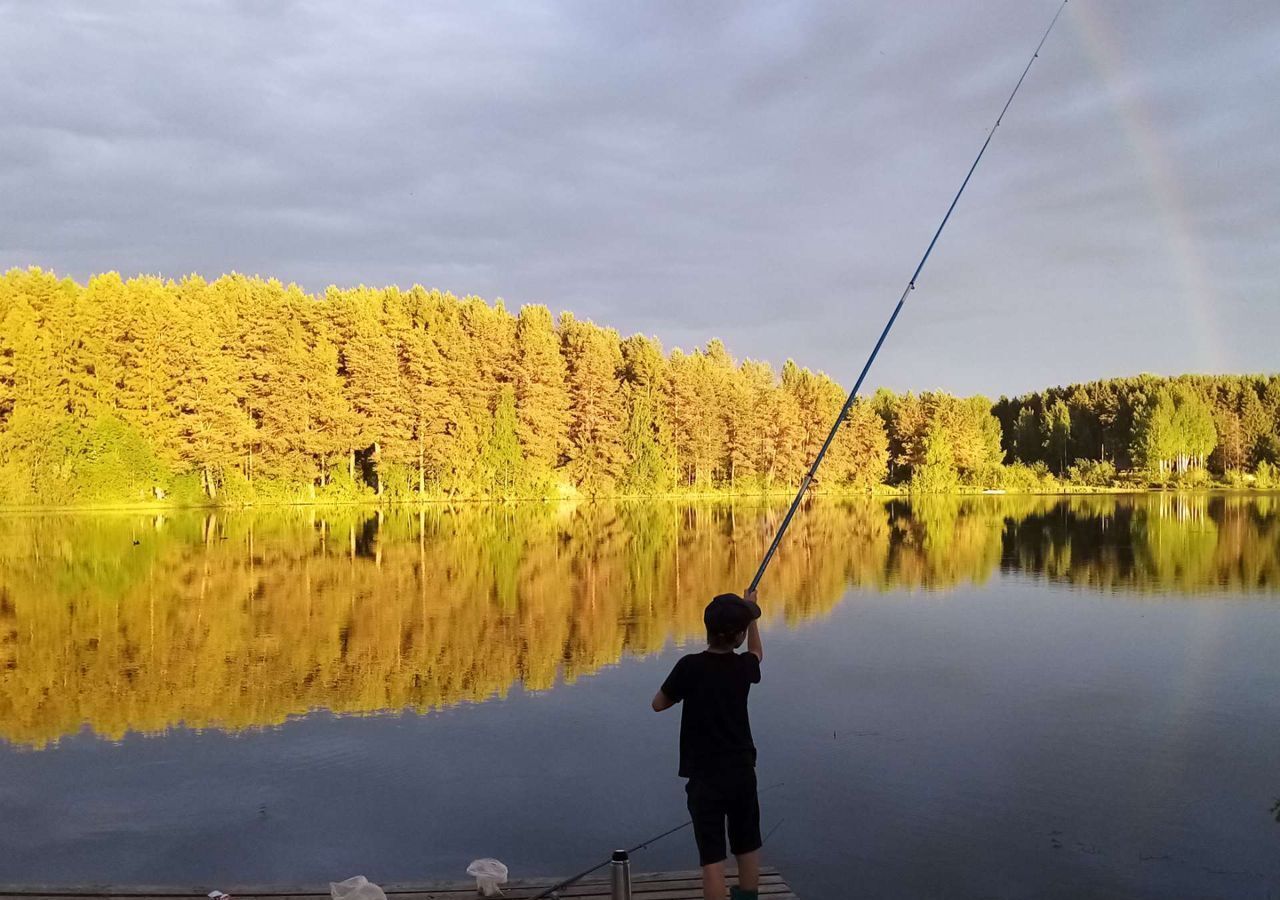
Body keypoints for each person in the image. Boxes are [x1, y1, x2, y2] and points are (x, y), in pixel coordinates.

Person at [652, 588, 764, 900]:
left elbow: (658, 704)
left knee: (712, 855)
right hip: (742, 771)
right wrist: (752, 615)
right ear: (739, 636)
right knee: (747, 842)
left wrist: (683, 691)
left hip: (705, 776)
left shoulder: (689, 666)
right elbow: (757, 654)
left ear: (707, 630)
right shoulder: (743, 667)